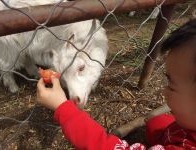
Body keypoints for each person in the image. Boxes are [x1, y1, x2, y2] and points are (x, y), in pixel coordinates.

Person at [36, 19, 196, 150]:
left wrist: (63, 108)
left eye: (172, 85)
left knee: (157, 122)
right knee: (158, 121)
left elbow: (104, 146)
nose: (163, 91)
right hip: (183, 131)